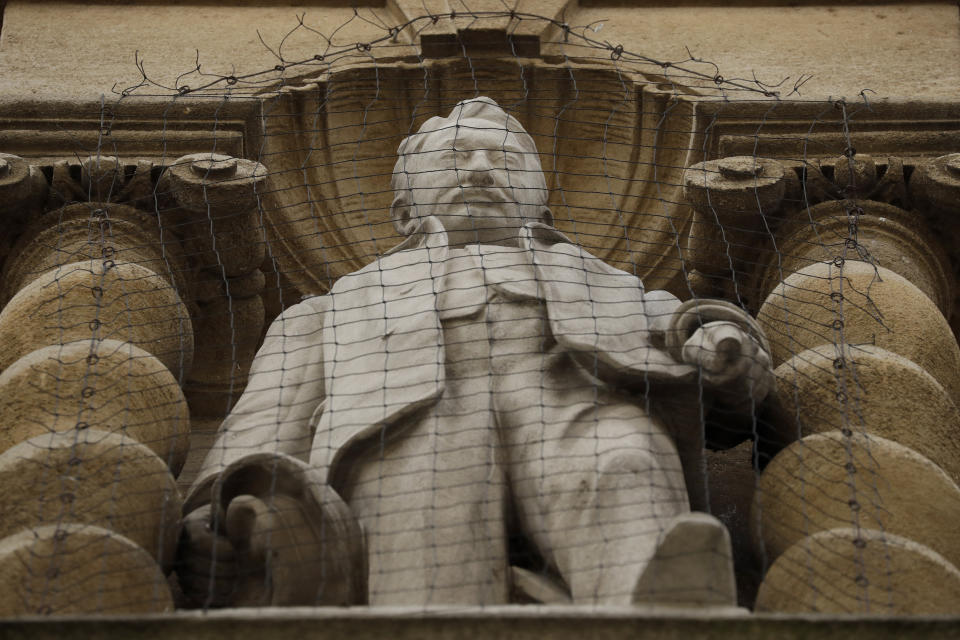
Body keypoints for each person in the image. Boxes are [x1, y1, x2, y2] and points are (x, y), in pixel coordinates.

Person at [179, 97, 773, 608]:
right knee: (420, 522)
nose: (484, 171)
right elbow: (267, 416)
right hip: (405, 426)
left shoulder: (608, 283)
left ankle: (658, 604)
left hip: (577, 404)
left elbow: (696, 345)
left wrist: (728, 355)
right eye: (455, 159)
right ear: (403, 210)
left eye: (506, 160)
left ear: (542, 206)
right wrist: (210, 507)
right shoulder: (331, 307)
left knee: (624, 462)